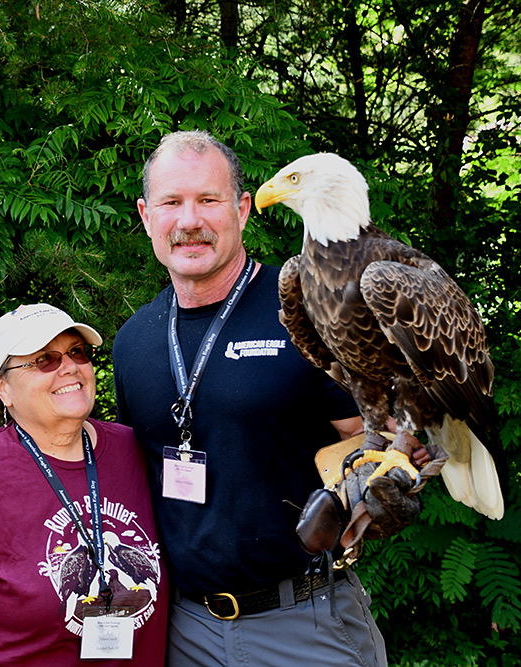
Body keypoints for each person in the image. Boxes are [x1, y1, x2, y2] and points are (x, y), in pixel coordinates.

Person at [113, 131, 388, 667]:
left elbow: (372, 440)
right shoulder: (134, 342)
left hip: (304, 622)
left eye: (208, 200)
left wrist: (381, 492)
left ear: (242, 209)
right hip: (181, 629)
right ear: (147, 216)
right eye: (172, 202)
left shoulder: (309, 309)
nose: (189, 220)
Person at [0, 303, 168, 666]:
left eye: (76, 352)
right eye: (44, 360)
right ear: (1, 386)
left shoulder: (136, 452)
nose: (69, 367)